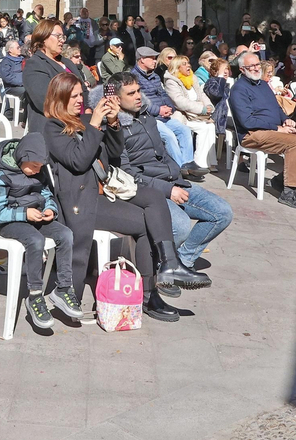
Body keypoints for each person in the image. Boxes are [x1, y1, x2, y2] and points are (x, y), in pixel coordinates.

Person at [41, 73, 188, 321]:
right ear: (60, 99)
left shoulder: (83, 120)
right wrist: (95, 124)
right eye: (73, 96)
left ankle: (169, 264)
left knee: (153, 198)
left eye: (81, 94)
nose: (80, 100)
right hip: (79, 202)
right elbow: (78, 161)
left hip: (103, 191)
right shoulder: (53, 127)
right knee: (144, 223)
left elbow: (113, 151)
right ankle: (149, 294)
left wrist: (113, 123)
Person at [111, 73, 230, 273]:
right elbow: (126, 174)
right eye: (131, 93)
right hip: (148, 190)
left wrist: (176, 173)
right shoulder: (114, 127)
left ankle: (181, 261)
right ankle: (161, 268)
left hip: (173, 181)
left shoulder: (146, 115)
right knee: (180, 226)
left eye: (139, 90)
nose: (138, 96)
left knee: (222, 212)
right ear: (116, 99)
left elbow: (162, 151)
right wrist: (167, 190)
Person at [0, 133, 83, 328]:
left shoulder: (37, 171)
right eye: (34, 166)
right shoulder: (0, 174)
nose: (38, 170)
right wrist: (23, 213)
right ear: (22, 158)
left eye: (40, 167)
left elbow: (46, 194)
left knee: (65, 234)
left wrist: (49, 209)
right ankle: (35, 295)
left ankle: (63, 288)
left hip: (33, 215)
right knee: (35, 240)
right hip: (7, 220)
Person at [228, 51, 296, 209]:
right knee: (293, 142)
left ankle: (280, 180)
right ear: (242, 69)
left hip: (274, 130)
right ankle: (289, 192)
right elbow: (247, 121)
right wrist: (277, 128)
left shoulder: (263, 85)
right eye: (251, 66)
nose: (256, 68)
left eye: (257, 64)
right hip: (251, 134)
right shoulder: (239, 90)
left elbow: (276, 108)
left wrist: (285, 120)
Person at [129, 47, 202, 179]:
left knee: (184, 130)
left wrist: (170, 108)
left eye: (155, 58)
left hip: (164, 116)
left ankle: (187, 166)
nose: (155, 61)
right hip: (148, 118)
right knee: (169, 136)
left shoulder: (155, 76)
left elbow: (164, 94)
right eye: (151, 58)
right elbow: (140, 102)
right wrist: (158, 110)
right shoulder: (133, 78)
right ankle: (180, 169)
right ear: (141, 60)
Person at [162, 54, 218, 170]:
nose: (188, 66)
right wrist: (201, 109)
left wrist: (208, 105)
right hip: (182, 115)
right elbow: (179, 102)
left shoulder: (193, 78)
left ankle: (207, 162)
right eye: (184, 64)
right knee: (203, 128)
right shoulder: (171, 81)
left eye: (188, 63)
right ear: (177, 67)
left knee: (210, 126)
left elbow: (201, 94)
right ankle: (197, 163)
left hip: (196, 114)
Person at [23, 18, 80, 119]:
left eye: (63, 37)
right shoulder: (35, 65)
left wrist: (88, 113)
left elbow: (83, 88)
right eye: (58, 36)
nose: (62, 40)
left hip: (80, 119)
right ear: (43, 37)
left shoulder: (67, 62)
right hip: (54, 125)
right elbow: (45, 102)